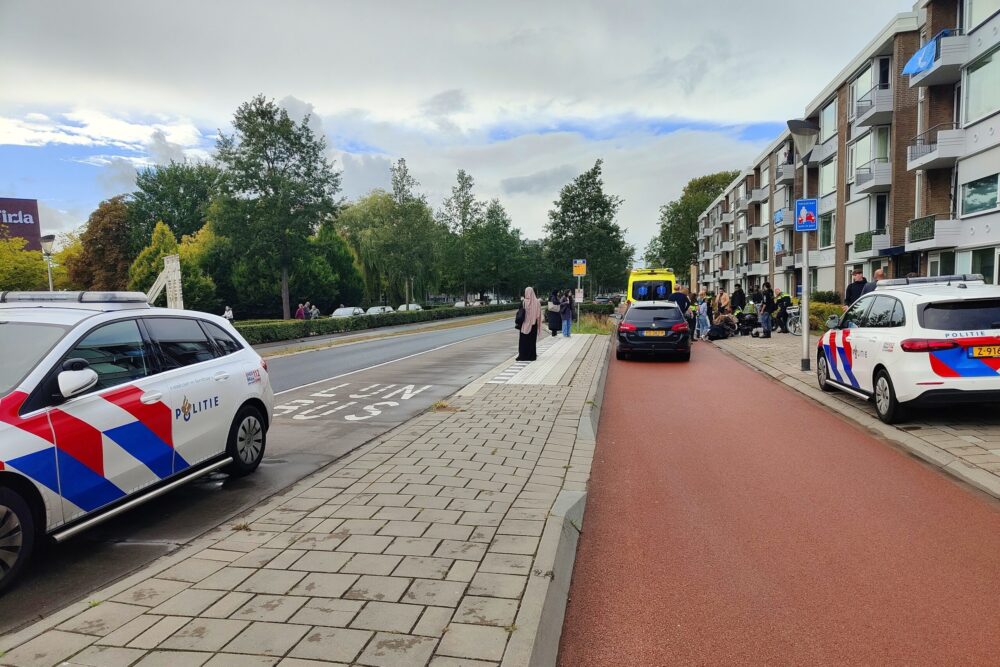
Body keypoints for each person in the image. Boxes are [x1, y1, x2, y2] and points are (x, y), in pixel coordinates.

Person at [517, 287, 543, 361]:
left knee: (523, 340)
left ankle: (523, 356)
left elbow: (520, 312)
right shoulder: (537, 302)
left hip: (524, 324)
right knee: (532, 341)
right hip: (533, 324)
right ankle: (532, 356)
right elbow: (539, 315)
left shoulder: (523, 302)